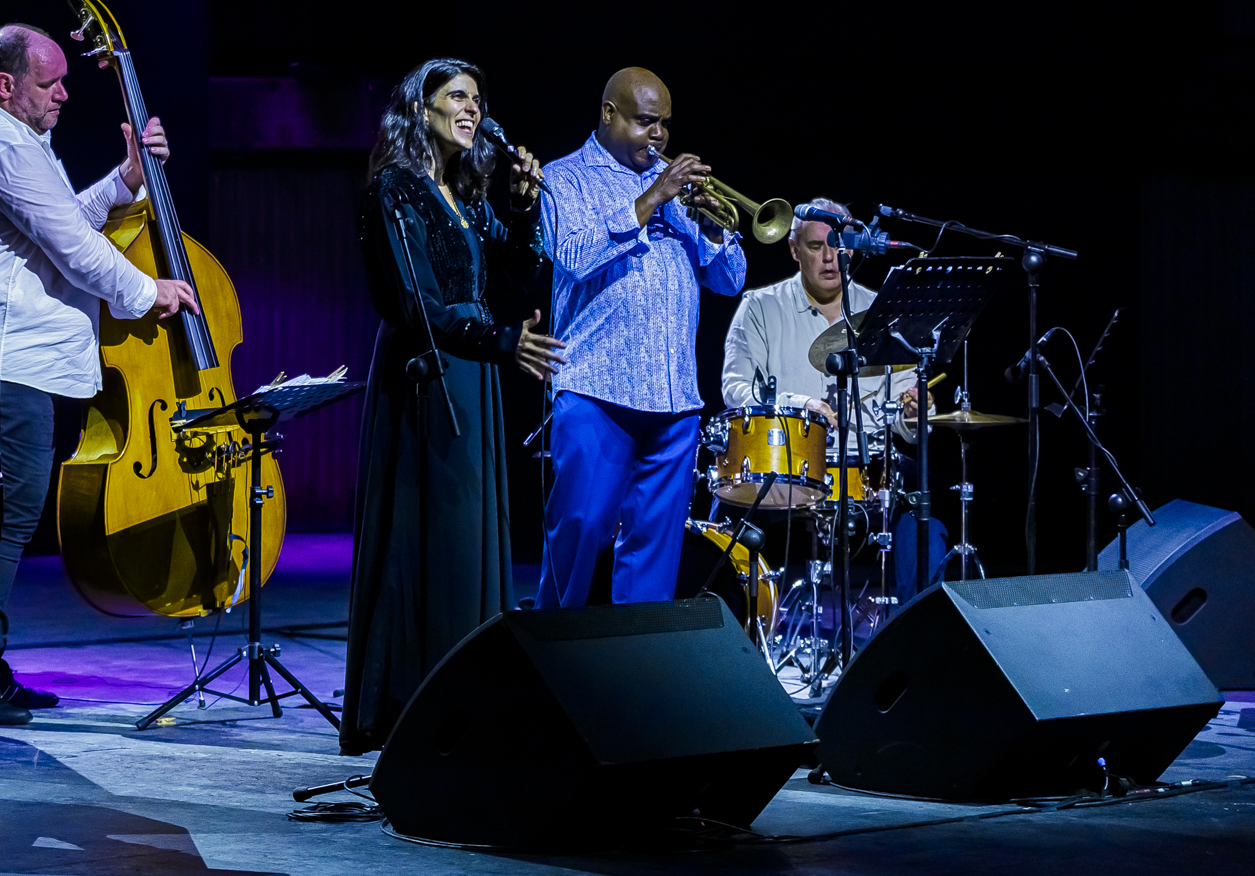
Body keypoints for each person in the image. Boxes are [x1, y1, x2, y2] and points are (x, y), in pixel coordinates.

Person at [0, 23, 196, 724]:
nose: (65, 92)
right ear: (6, 84)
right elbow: (75, 249)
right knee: (2, 526)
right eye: (50, 81)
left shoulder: (6, 139)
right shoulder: (0, 143)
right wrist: (147, 292)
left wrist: (126, 180)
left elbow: (62, 222)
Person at [341, 59, 562, 757]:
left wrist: (522, 207)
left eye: (478, 99)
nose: (472, 109)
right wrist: (500, 341)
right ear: (421, 107)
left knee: (469, 538)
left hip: (473, 372)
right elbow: (415, 306)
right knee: (432, 540)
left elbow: (510, 280)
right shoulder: (395, 191)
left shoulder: (462, 196)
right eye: (457, 96)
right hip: (428, 374)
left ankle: (472, 701)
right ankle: (417, 705)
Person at [536, 67, 746, 610]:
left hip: (674, 398)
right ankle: (549, 651)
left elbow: (729, 280)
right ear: (609, 114)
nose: (658, 136)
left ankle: (639, 659)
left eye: (665, 124)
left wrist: (714, 228)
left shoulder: (678, 191)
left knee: (654, 556)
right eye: (646, 122)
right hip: (598, 391)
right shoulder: (564, 178)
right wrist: (653, 197)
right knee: (578, 537)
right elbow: (574, 255)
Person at [721, 203, 939, 598]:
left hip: (869, 474)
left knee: (925, 521)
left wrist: (914, 410)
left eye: (838, 246)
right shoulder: (760, 306)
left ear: (852, 249)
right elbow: (735, 387)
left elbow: (905, 413)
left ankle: (918, 623)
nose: (829, 257)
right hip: (787, 468)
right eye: (815, 246)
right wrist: (795, 405)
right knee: (732, 512)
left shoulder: (883, 311)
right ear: (794, 249)